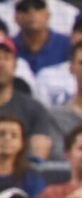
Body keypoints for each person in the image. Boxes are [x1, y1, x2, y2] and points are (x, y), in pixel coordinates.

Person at [0, 30, 52, 159]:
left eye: (6, 58)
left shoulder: (33, 109)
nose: (0, 64)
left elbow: (38, 159)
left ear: (15, 65)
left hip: (19, 176)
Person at [13, 0, 70, 73]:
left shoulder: (66, 44)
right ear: (16, 17)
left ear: (47, 15)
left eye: (38, 7)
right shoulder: (8, 47)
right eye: (24, 8)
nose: (31, 12)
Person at [0, 114, 44, 198]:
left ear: (22, 143)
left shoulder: (31, 178)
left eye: (14, 135)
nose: (7, 139)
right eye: (1, 134)